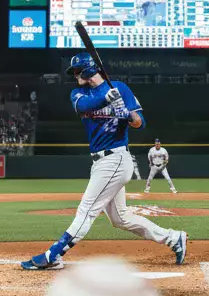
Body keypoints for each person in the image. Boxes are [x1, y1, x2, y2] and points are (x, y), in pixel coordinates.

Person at [21, 53, 188, 269]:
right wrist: (108, 99)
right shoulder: (79, 93)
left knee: (87, 209)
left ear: (90, 69)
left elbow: (140, 123)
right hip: (100, 162)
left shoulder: (121, 88)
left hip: (116, 158)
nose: (75, 75)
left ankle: (53, 255)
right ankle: (174, 238)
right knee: (121, 218)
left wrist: (126, 114)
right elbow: (84, 107)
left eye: (78, 71)